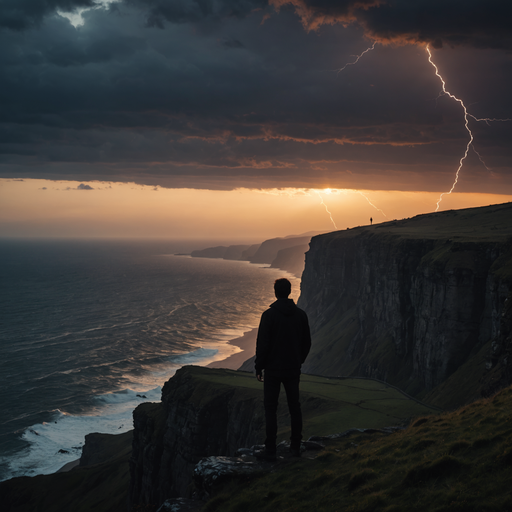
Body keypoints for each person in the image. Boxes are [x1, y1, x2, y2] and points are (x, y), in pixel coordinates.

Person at [254, 278, 311, 460]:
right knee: (295, 407)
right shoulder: (301, 315)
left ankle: (270, 449)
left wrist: (259, 366)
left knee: (271, 408)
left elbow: (262, 344)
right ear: (289, 291)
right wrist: (299, 360)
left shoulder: (269, 316)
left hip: (273, 369)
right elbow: (307, 342)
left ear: (275, 292)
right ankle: (295, 446)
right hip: (293, 369)